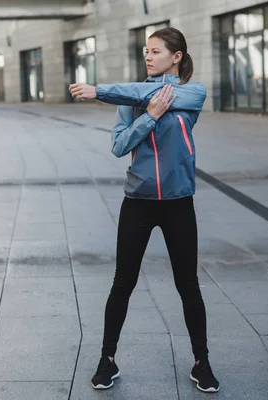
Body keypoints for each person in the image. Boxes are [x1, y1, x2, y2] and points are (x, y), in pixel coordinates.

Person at [68, 27, 220, 394]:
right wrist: (149, 115)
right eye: (145, 52)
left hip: (179, 203)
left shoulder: (192, 93)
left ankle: (202, 362)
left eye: (155, 51)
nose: (148, 57)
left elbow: (154, 92)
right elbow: (119, 145)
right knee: (123, 283)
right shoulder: (131, 99)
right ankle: (107, 359)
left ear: (177, 56)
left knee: (188, 286)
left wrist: (100, 90)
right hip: (137, 203)